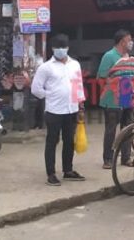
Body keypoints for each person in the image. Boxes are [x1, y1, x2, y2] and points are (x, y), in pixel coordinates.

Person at [31, 34, 86, 186]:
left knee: (69, 141)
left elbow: (78, 85)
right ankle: (51, 173)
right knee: (52, 141)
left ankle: (68, 170)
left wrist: (81, 104)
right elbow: (36, 89)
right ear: (53, 49)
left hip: (71, 109)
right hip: (54, 110)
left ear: (68, 48)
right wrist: (49, 95)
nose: (61, 50)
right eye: (58, 47)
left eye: (63, 47)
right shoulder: (45, 67)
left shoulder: (75, 64)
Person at [98, 30, 133, 169]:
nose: (131, 42)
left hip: (126, 97)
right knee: (111, 130)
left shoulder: (127, 56)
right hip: (112, 99)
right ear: (122, 41)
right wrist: (112, 88)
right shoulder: (109, 56)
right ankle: (108, 159)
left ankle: (126, 157)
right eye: (129, 40)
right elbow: (101, 78)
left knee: (128, 128)